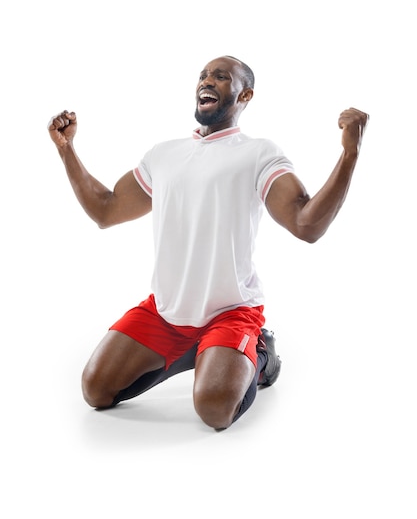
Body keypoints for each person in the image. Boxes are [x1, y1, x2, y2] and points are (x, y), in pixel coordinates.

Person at [48, 55, 369, 431]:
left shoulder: (259, 153)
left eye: (220, 77)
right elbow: (105, 211)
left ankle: (261, 354)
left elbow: (306, 225)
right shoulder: (164, 154)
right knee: (95, 391)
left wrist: (350, 154)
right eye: (203, 75)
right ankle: (196, 353)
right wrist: (66, 149)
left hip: (231, 311)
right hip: (166, 312)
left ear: (245, 94)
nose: (207, 81)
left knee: (215, 411)